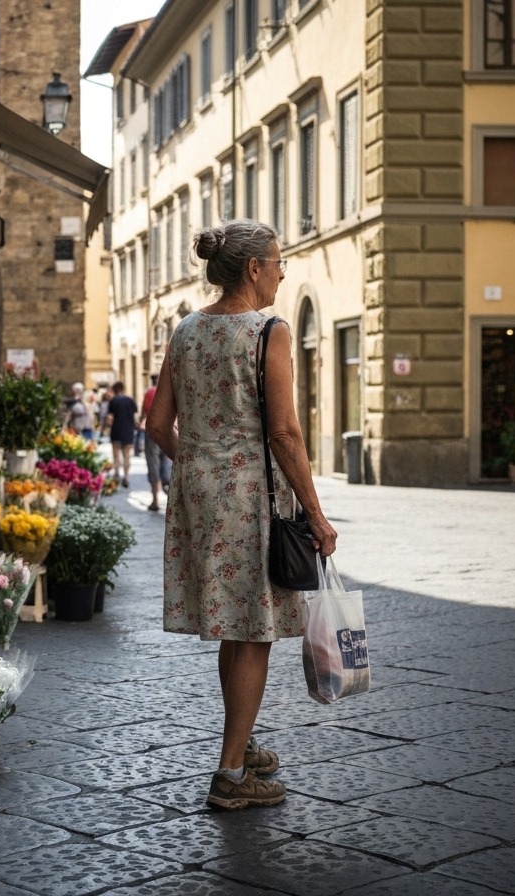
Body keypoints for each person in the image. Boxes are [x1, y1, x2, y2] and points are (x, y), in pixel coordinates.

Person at [145, 219, 338, 811]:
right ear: (253, 268)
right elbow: (283, 431)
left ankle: (242, 742)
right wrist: (317, 514)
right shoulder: (268, 332)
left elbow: (156, 427)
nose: (283, 270)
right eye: (278, 261)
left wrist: (201, 464)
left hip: (200, 496)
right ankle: (230, 775)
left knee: (235, 624)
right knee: (254, 631)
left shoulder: (184, 331)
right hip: (252, 498)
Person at [138, 374, 170, 511]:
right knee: (167, 462)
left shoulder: (149, 392)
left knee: (153, 462)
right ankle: (170, 498)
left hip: (152, 430)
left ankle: (155, 500)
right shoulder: (169, 391)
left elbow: (144, 411)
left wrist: (141, 422)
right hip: (169, 430)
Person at [104, 380, 138, 488]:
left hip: (116, 430)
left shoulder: (113, 401)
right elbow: (135, 417)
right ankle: (126, 477)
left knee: (116, 455)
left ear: (114, 390)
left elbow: (110, 417)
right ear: (123, 389)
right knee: (127, 456)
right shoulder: (130, 400)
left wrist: (108, 427)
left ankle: (117, 474)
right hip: (128, 430)